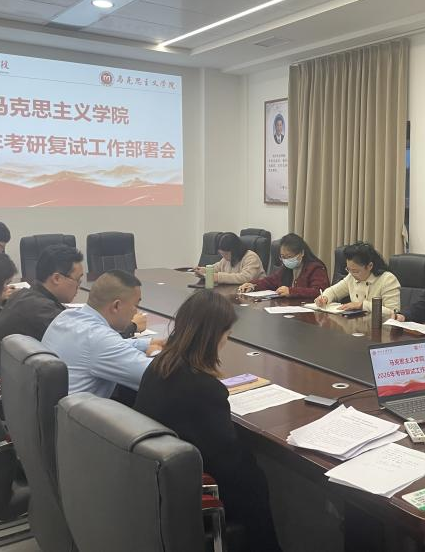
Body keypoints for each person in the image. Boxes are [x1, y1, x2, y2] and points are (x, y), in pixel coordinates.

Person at [135, 291, 282, 552]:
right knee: (255, 480)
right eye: (227, 334)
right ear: (214, 336)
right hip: (193, 487)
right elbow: (229, 463)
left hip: (152, 480)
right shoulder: (204, 388)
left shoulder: (159, 365)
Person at [43, 270, 161, 398]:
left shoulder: (66, 316)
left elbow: (109, 346)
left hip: (52, 406)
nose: (136, 312)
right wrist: (157, 354)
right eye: (135, 305)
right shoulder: (99, 338)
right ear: (116, 306)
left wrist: (148, 343)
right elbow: (157, 376)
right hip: (77, 410)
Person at [0, 244, 84, 379]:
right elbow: (82, 340)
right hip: (1, 383)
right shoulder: (41, 309)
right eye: (78, 280)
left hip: (6, 376)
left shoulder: (26, 295)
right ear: (56, 278)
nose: (79, 286)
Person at [315, 241, 400, 317]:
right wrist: (324, 298)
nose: (351, 274)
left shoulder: (387, 279)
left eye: (355, 271)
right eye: (348, 269)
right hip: (357, 324)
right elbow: (334, 291)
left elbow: (393, 312)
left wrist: (362, 305)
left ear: (370, 266)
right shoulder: (351, 277)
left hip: (379, 326)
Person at [237, 233, 328, 299]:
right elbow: (270, 281)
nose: (286, 260)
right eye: (283, 257)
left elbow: (319, 291)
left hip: (308, 313)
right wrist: (253, 285)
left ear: (301, 253)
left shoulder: (315, 268)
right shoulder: (286, 268)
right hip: (289, 308)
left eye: (289, 257)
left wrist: (291, 291)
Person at [193, 232, 263, 285]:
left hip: (254, 294)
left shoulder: (251, 257)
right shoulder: (226, 259)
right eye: (222, 254)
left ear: (235, 250)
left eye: (226, 254)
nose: (224, 257)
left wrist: (218, 277)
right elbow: (216, 268)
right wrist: (204, 271)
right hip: (234, 291)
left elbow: (246, 277)